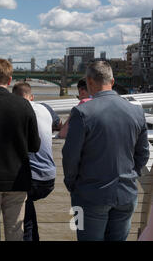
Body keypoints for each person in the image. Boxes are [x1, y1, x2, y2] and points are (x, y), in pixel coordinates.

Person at [62, 61, 150, 241]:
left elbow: (70, 156)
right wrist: (131, 174)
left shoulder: (82, 112)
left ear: (89, 81)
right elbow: (143, 154)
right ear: (112, 80)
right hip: (126, 192)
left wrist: (73, 184)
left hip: (90, 194)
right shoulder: (136, 112)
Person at [0, 59, 40, 241]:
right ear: (10, 80)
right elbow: (35, 145)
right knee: (16, 234)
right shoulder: (24, 105)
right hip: (17, 180)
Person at [12, 82, 56, 241]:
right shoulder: (45, 108)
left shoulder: (14, 111)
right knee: (28, 212)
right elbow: (58, 125)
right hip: (49, 178)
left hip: (31, 180)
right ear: (32, 97)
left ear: (13, 98)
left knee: (25, 223)